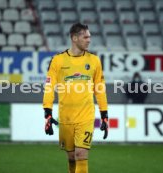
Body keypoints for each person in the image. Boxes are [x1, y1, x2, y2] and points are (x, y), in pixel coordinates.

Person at [43, 23, 109, 173]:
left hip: (86, 116)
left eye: (90, 37)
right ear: (74, 38)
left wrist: (104, 115)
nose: (89, 40)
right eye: (85, 37)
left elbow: (100, 89)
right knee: (72, 157)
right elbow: (49, 88)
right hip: (65, 117)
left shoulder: (94, 61)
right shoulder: (58, 60)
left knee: (81, 154)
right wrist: (47, 113)